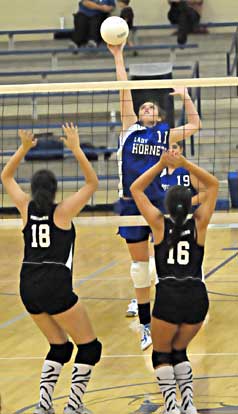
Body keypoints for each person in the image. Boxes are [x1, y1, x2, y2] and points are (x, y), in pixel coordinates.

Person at [1, 124, 101, 414]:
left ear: (33, 189)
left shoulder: (25, 207)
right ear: (55, 190)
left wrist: (23, 148)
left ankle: (44, 407)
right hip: (54, 284)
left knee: (60, 346)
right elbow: (92, 184)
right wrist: (76, 148)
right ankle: (73, 406)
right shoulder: (62, 211)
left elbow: (5, 177)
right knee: (90, 348)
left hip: (27, 286)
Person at [108, 42, 202, 351]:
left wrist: (186, 96)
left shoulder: (163, 133)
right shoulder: (128, 130)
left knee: (163, 261)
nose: (147, 109)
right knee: (139, 266)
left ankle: (167, 305)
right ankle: (145, 324)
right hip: (130, 202)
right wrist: (118, 55)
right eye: (143, 107)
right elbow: (123, 86)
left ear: (159, 115)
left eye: (152, 108)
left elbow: (195, 125)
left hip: (158, 202)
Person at [130, 151, 218, 414]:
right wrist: (184, 163)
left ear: (167, 206)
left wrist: (161, 163)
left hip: (169, 295)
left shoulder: (158, 225)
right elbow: (213, 185)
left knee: (161, 355)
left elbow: (136, 188)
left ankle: (172, 406)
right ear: (190, 204)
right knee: (179, 351)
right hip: (196, 296)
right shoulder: (200, 224)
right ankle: (188, 405)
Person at [126, 140, 206, 318]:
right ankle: (146, 299)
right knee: (153, 263)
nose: (171, 151)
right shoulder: (156, 172)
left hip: (185, 220)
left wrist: (184, 204)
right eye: (167, 148)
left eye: (175, 147)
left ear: (182, 150)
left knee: (191, 256)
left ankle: (197, 289)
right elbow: (140, 191)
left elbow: (205, 193)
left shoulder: (186, 171)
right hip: (162, 222)